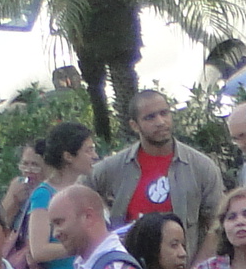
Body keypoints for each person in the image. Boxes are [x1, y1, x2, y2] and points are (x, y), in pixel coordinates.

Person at [90, 90, 221, 248]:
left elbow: (217, 225)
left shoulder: (201, 167)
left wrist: (199, 263)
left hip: (185, 260)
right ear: (134, 125)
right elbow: (81, 188)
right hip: (128, 261)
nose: (160, 122)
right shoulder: (114, 167)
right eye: (150, 117)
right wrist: (104, 223)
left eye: (164, 113)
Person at [18, 122, 96, 269]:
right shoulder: (44, 194)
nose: (95, 156)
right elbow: (39, 250)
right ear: (68, 156)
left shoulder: (85, 190)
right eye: (88, 150)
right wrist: (85, 245)